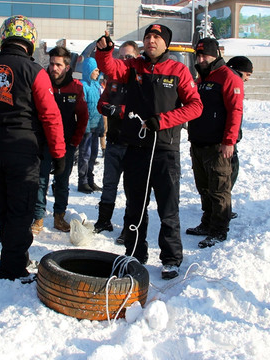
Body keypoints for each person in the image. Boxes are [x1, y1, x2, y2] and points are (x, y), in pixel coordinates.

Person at [95, 25, 203, 279]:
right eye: (147, 36)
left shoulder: (178, 70)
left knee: (168, 208)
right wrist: (105, 52)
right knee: (135, 206)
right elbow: (111, 68)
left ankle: (171, 258)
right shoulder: (133, 67)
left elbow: (195, 106)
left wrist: (163, 120)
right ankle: (134, 252)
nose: (151, 40)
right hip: (135, 148)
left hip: (165, 150)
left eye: (156, 37)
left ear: (166, 43)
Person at [0, 15, 66, 283]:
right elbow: (50, 115)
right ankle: (12, 267)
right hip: (23, 150)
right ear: (30, 42)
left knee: (3, 205)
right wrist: (58, 153)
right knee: (21, 210)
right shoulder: (35, 71)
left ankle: (15, 256)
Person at [186, 38, 244, 248]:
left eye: (205, 56)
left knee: (219, 189)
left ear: (216, 54)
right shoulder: (200, 79)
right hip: (198, 144)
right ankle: (207, 222)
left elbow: (235, 111)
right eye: (198, 55)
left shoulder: (229, 77)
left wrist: (229, 141)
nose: (201, 59)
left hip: (218, 146)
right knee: (204, 187)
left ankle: (219, 229)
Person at [31, 46, 88, 234]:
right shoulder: (42, 82)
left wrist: (75, 141)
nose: (53, 68)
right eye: (51, 63)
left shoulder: (76, 87)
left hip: (66, 145)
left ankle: (59, 217)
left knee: (62, 182)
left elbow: (83, 116)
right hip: (43, 143)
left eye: (58, 65)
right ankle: (38, 218)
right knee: (40, 181)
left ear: (67, 67)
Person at [94, 40, 140, 244]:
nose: (124, 60)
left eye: (128, 56)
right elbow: (101, 101)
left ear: (137, 57)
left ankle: (129, 229)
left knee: (132, 188)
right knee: (109, 183)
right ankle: (103, 220)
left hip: (132, 144)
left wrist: (119, 111)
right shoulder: (113, 80)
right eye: (121, 56)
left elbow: (141, 109)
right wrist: (105, 108)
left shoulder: (139, 80)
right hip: (113, 140)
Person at [225, 55, 254, 219]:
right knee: (231, 171)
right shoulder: (233, 81)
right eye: (247, 75)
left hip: (225, 137)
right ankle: (222, 209)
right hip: (227, 139)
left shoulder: (225, 78)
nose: (247, 79)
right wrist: (232, 138)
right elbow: (234, 112)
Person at [77, 57, 104, 194]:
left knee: (93, 154)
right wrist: (85, 128)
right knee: (85, 155)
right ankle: (83, 181)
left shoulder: (97, 86)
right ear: (88, 70)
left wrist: (101, 127)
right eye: (95, 70)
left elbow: (100, 108)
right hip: (86, 128)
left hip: (95, 126)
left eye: (98, 70)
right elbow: (83, 109)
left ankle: (90, 179)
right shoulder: (83, 86)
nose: (97, 73)